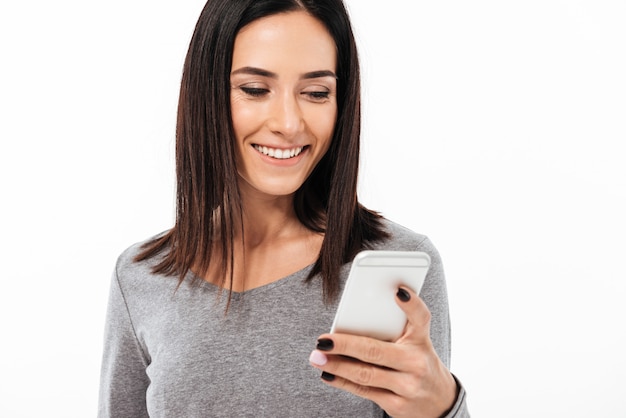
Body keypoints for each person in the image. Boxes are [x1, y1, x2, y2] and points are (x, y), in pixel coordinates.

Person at [98, 0, 470, 417]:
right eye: (255, 90)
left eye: (316, 93)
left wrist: (442, 406)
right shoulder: (141, 276)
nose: (289, 123)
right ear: (206, 93)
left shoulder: (396, 265)